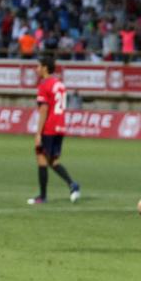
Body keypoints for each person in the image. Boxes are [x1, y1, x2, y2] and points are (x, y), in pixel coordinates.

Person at [28, 56, 80, 205]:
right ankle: (72, 185)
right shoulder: (59, 84)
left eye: (38, 66)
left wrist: (38, 133)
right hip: (60, 126)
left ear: (45, 67)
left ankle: (42, 197)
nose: (36, 69)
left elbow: (44, 109)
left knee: (41, 158)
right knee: (53, 160)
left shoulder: (44, 85)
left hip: (49, 128)